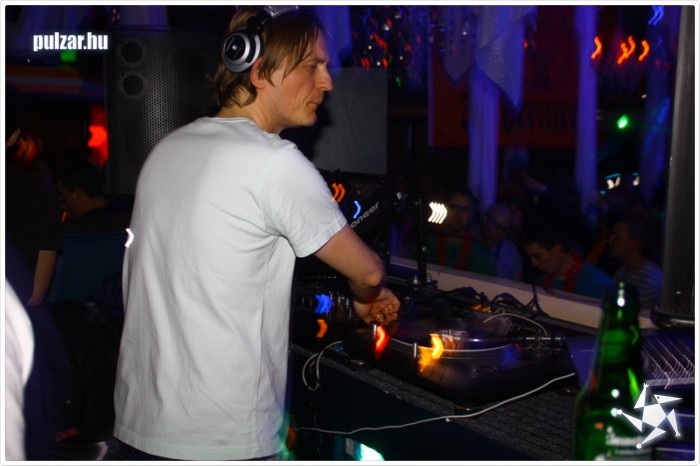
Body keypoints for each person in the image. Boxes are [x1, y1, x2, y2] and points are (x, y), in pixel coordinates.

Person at [113, 6, 400, 461]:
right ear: (260, 69)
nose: (327, 82)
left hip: (138, 427)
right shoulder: (274, 162)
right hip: (220, 440)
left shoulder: (166, 149)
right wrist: (368, 297)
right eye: (313, 66)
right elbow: (366, 271)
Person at [522, 220, 613, 300]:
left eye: (538, 257)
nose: (533, 264)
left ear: (557, 249)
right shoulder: (540, 282)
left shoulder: (598, 283)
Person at [424, 188, 497, 275]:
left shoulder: (481, 254)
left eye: (464, 209)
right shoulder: (425, 243)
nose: (458, 214)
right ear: (445, 209)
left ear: (471, 215)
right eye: (454, 207)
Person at [607, 213, 663, 310]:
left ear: (634, 244)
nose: (610, 240)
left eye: (617, 237)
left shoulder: (650, 281)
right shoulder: (621, 272)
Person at [477, 203, 523, 281]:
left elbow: (518, 281)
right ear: (485, 219)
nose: (500, 232)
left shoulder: (511, 250)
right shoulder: (472, 241)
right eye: (496, 226)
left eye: (504, 229)